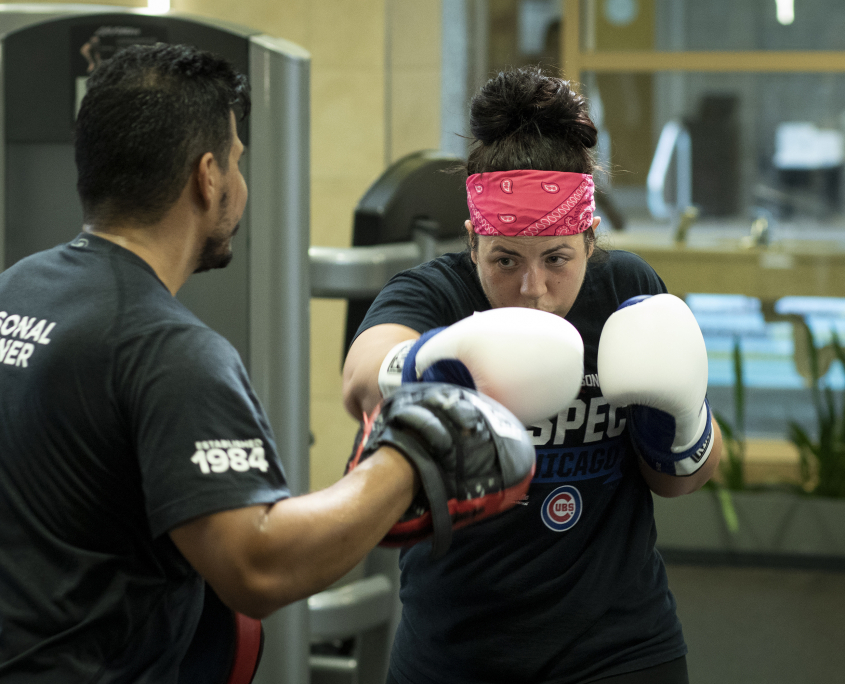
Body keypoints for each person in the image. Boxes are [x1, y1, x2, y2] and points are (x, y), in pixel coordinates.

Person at [0, 44, 536, 683]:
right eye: (235, 160)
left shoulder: (16, 290)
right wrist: (408, 457)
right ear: (207, 177)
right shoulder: (168, 351)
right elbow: (256, 566)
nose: (240, 183)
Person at [343, 67, 723, 684]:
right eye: (504, 261)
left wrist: (683, 421)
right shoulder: (434, 295)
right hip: (455, 652)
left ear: (590, 238)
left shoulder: (628, 290)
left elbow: (682, 481)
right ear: (472, 243)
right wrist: (435, 361)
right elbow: (361, 379)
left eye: (557, 259)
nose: (533, 290)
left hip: (620, 648)